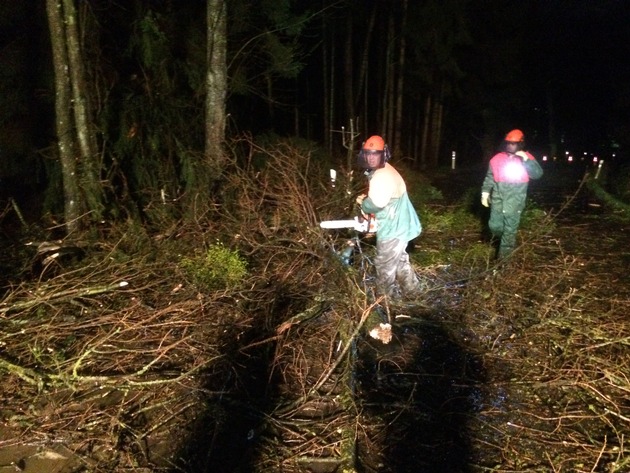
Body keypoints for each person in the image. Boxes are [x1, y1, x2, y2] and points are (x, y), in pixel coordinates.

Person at [355, 135, 422, 301]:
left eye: (375, 154)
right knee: (400, 261)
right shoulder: (385, 170)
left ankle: (385, 301)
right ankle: (414, 292)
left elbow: (377, 204)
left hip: (394, 228)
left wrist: (364, 204)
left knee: (384, 265)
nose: (371, 158)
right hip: (402, 225)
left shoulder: (382, 176)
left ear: (383, 154)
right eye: (368, 154)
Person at [481, 129, 543, 259]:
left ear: (520, 144)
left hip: (515, 201)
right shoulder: (496, 159)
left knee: (509, 232)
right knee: (494, 226)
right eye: (509, 143)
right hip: (498, 199)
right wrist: (485, 193)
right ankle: (505, 241)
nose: (511, 146)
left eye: (514, 143)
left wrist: (527, 160)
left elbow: (537, 174)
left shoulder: (527, 158)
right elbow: (489, 177)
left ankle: (504, 263)